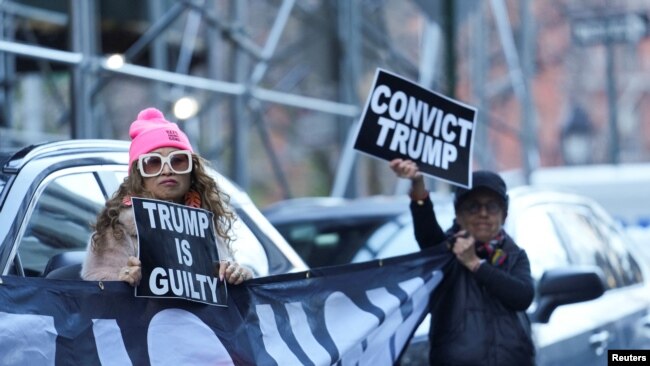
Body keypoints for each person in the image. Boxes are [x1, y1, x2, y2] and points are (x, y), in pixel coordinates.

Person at [82, 107, 252, 286]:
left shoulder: (207, 224)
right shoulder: (118, 227)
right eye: (153, 162)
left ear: (192, 171)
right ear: (139, 174)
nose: (167, 170)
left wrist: (239, 276)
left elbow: (232, 302)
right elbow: (96, 290)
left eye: (178, 160)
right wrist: (121, 280)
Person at [390, 159, 535, 366]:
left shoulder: (514, 255)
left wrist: (476, 264)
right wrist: (418, 185)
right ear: (458, 214)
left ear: (504, 215)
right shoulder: (444, 254)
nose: (483, 214)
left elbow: (522, 297)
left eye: (492, 207)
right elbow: (426, 232)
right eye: (473, 207)